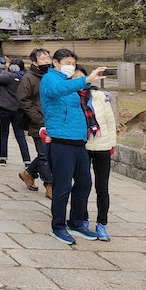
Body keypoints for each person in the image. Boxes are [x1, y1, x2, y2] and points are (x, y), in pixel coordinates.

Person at [40, 49, 107, 245]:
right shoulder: (50, 80)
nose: (71, 66)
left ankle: (77, 222)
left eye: (73, 63)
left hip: (79, 141)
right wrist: (86, 79)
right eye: (67, 62)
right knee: (62, 187)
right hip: (61, 142)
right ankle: (58, 225)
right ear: (55, 62)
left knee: (84, 183)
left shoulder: (70, 84)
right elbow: (57, 90)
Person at [75, 65, 117, 242]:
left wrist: (112, 143)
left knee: (102, 187)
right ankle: (82, 219)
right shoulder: (70, 97)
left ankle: (102, 224)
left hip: (102, 145)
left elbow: (109, 121)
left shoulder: (100, 97)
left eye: (82, 77)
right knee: (82, 185)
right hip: (82, 146)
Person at [17, 48, 53, 199]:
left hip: (53, 120)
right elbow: (22, 100)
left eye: (47, 58)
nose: (46, 60)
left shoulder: (52, 76)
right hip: (38, 122)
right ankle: (50, 185)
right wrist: (37, 118)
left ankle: (29, 172)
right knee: (44, 155)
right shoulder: (29, 78)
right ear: (34, 62)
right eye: (42, 58)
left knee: (49, 154)